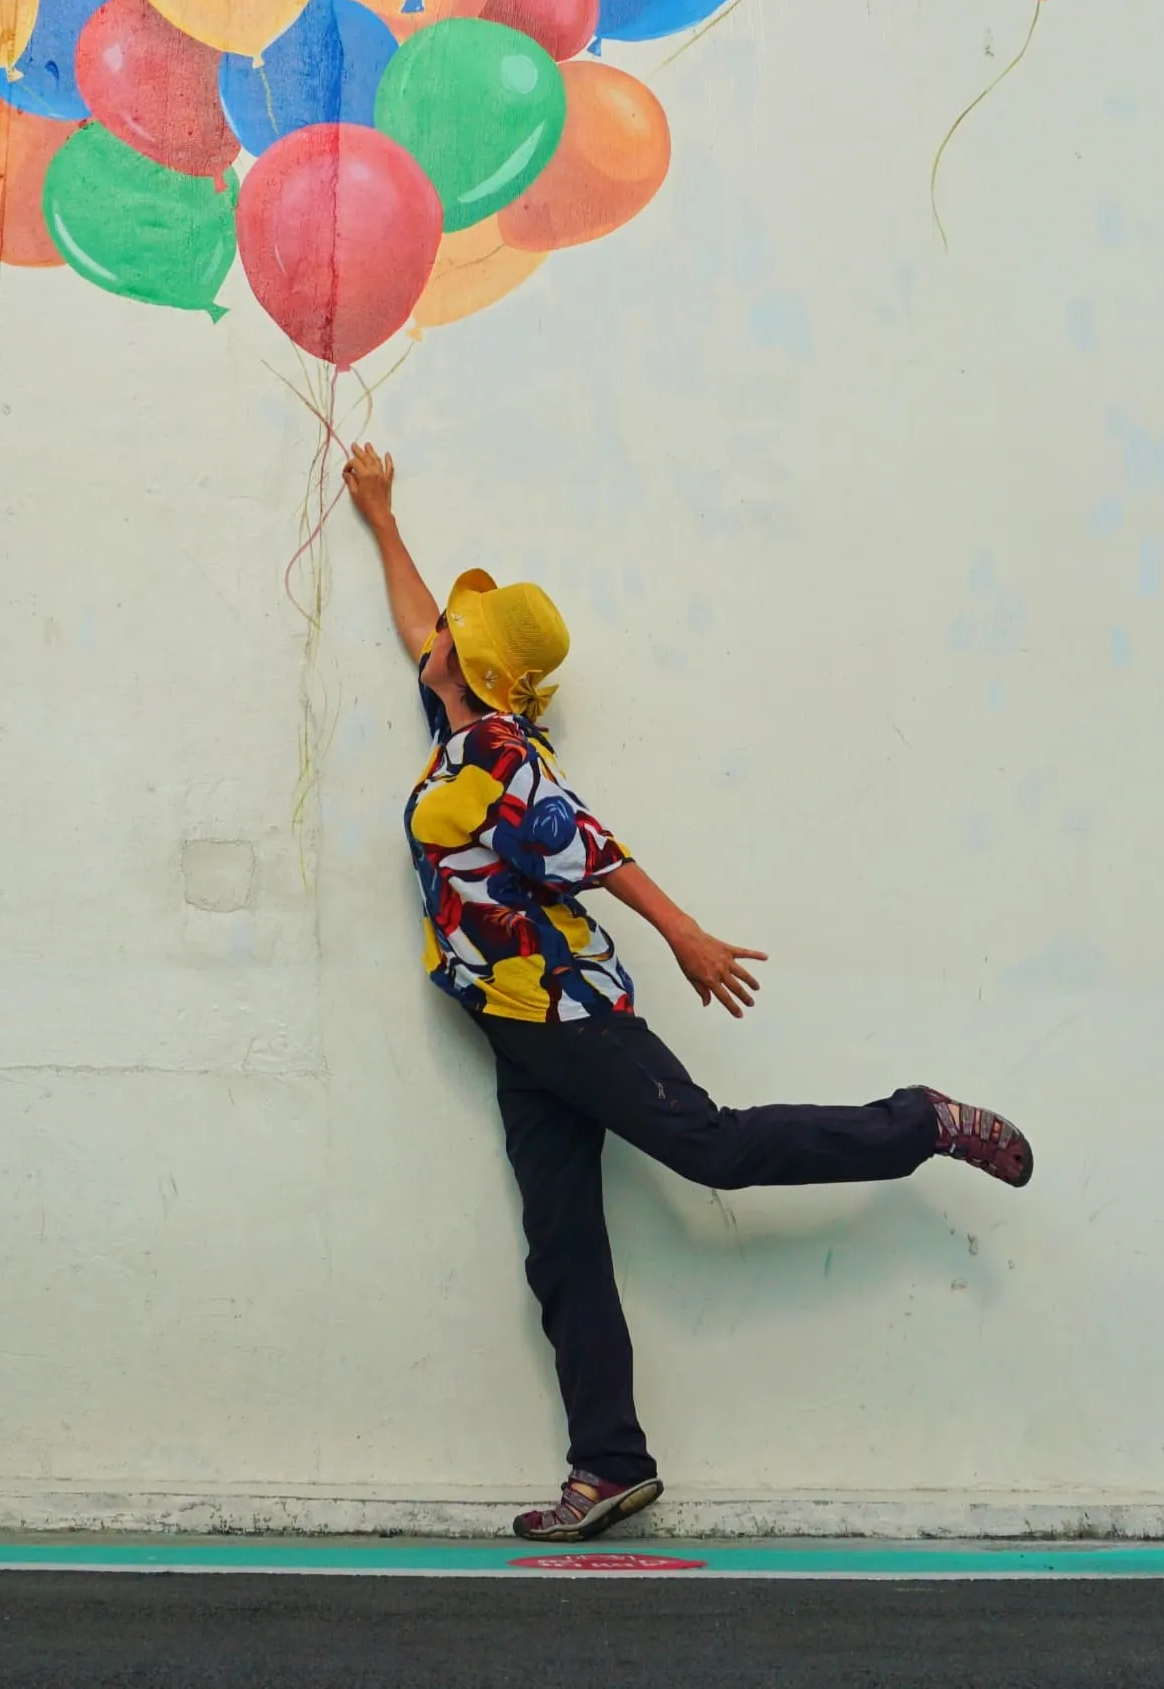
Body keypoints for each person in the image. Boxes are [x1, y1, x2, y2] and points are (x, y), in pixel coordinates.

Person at [340, 444, 1034, 1544]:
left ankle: (922, 1121)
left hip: (573, 1017)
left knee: (712, 1149)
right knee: (560, 1246)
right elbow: (420, 621)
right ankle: (608, 1465)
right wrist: (382, 520)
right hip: (515, 1037)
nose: (436, 642)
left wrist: (686, 936)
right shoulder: (458, 740)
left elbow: (596, 850)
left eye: (452, 644)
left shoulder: (507, 758)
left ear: (471, 670)